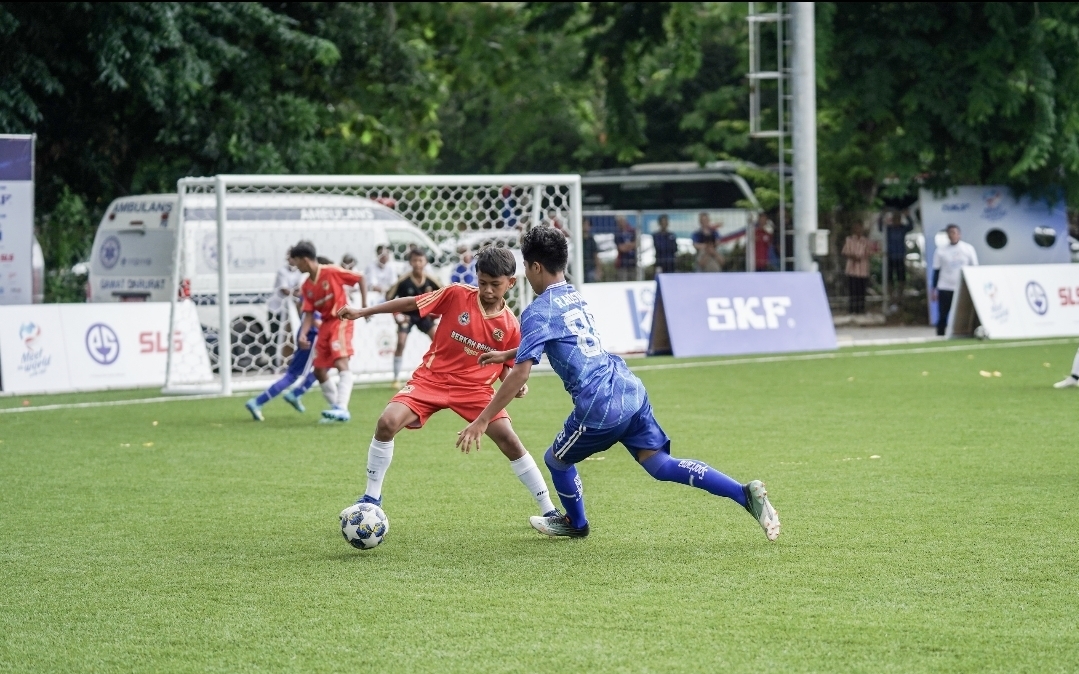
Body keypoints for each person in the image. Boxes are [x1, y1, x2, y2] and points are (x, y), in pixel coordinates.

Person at [456, 226, 780, 541]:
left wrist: (483, 420)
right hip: (629, 390)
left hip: (599, 406)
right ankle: (743, 493)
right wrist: (507, 354)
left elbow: (522, 373)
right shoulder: (573, 296)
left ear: (536, 266)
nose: (526, 273)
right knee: (660, 464)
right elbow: (562, 339)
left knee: (556, 460)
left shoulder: (538, 311)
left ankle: (575, 524)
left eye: (526, 266)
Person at [337, 246, 558, 519]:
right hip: (431, 379)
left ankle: (548, 509)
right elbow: (411, 303)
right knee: (386, 423)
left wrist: (513, 381)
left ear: (511, 283)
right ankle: (372, 496)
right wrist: (363, 311)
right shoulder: (456, 294)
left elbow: (505, 364)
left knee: (510, 441)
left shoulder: (512, 325)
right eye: (482, 282)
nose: (487, 290)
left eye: (495, 285)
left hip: (474, 390)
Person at [289, 240, 367, 423]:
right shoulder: (307, 286)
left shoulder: (331, 271)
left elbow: (360, 278)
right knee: (319, 371)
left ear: (305, 260)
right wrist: (302, 333)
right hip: (324, 325)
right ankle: (337, 410)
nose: (295, 265)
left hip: (341, 320)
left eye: (296, 261)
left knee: (341, 362)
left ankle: (341, 407)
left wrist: (364, 306)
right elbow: (308, 313)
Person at [244, 313, 320, 420]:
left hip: (307, 333)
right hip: (312, 336)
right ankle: (258, 401)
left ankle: (297, 393)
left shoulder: (308, 297)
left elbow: (302, 306)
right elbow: (313, 317)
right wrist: (331, 328)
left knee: (326, 366)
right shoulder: (319, 297)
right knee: (296, 374)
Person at [386, 249, 442, 386]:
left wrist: (436, 313)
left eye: (420, 260)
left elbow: (444, 295)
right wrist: (397, 315)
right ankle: (396, 378)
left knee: (439, 342)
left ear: (425, 262)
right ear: (410, 262)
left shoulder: (431, 280)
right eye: (414, 260)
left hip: (424, 315)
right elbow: (389, 297)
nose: (417, 264)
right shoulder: (403, 280)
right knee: (401, 342)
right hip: (407, 315)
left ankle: (439, 373)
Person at [932, 224, 978, 336]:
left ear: (959, 234)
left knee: (966, 313)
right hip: (945, 287)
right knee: (943, 314)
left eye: (954, 232)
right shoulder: (940, 251)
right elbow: (936, 270)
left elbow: (975, 268)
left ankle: (968, 333)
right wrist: (933, 289)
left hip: (963, 288)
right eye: (950, 233)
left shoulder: (968, 249)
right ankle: (940, 335)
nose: (952, 235)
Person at [842, 223, 872, 314]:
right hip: (852, 269)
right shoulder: (849, 240)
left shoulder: (866, 241)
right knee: (852, 290)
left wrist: (862, 257)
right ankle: (852, 309)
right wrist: (853, 256)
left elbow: (869, 252)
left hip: (863, 269)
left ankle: (861, 309)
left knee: (861, 291)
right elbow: (845, 252)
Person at [879, 210, 914, 288]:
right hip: (890, 256)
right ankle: (891, 297)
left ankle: (900, 297)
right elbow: (880, 228)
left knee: (901, 277)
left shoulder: (903, 228)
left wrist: (908, 216)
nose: (896, 221)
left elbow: (911, 226)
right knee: (889, 277)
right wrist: (881, 216)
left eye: (898, 219)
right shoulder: (889, 229)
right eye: (895, 219)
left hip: (900, 255)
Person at [614, 216, 638, 282]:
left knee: (633, 280)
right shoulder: (617, 234)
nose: (621, 223)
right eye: (619, 221)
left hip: (633, 261)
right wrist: (630, 245)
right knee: (623, 281)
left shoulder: (632, 231)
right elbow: (621, 248)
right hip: (622, 263)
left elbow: (637, 244)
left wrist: (627, 246)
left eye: (622, 221)